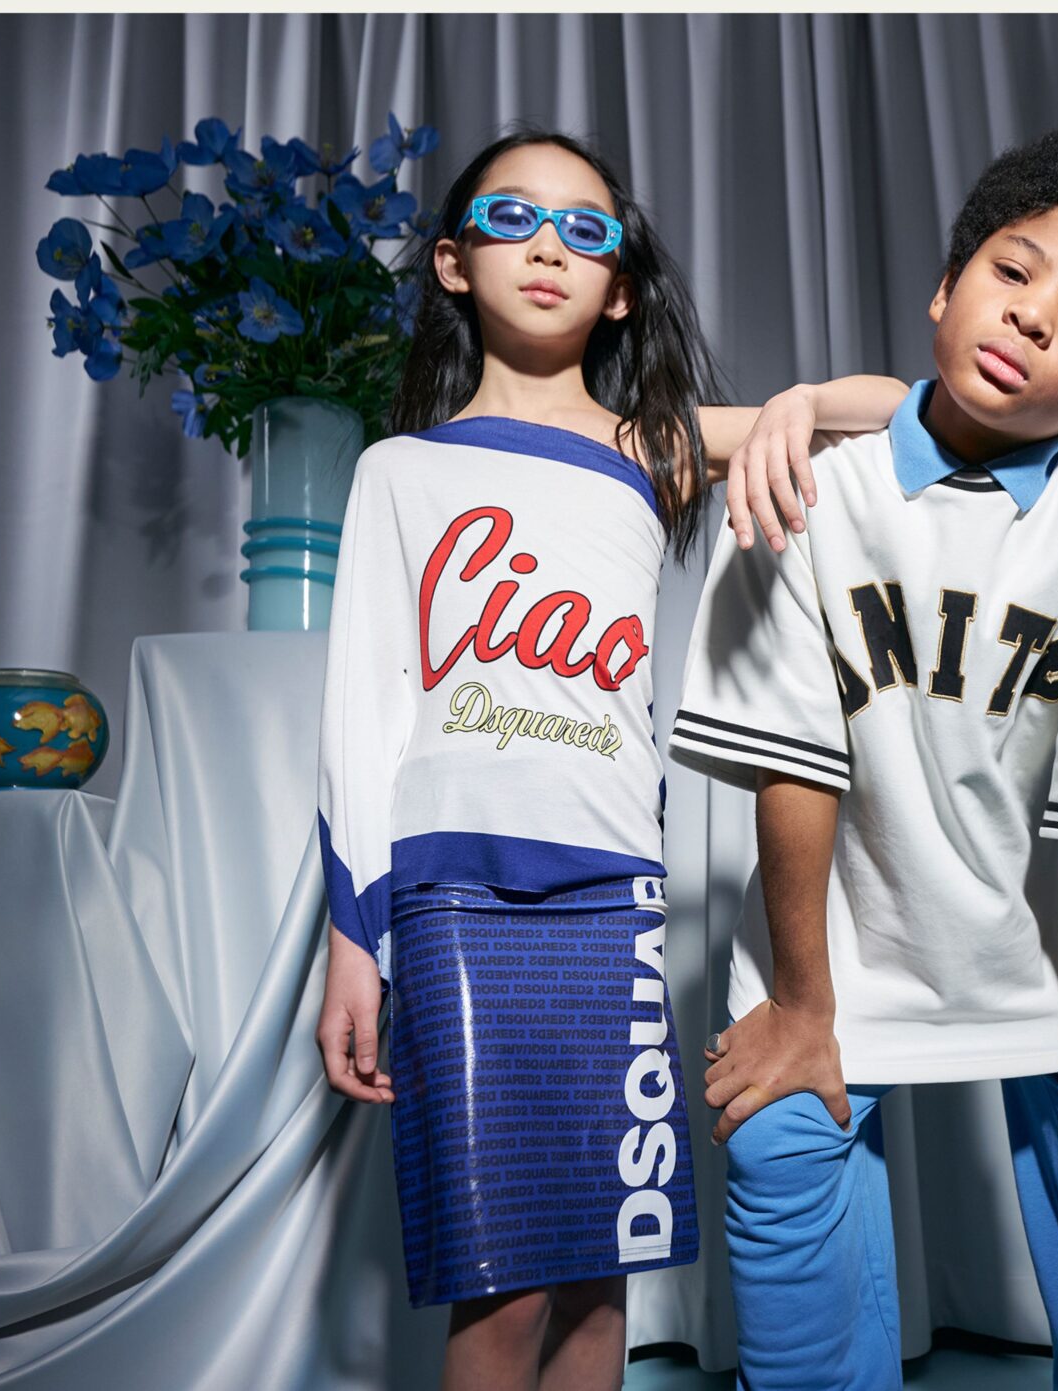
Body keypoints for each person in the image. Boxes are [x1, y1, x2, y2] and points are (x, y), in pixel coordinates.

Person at [312, 126, 908, 1391]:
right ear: (453, 262)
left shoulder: (652, 449)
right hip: (457, 895)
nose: (547, 247)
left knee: (600, 1275)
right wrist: (352, 939)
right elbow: (362, 713)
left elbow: (901, 413)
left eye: (583, 230)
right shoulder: (399, 470)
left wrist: (797, 404)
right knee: (504, 1282)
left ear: (620, 286)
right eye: (512, 218)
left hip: (612, 895)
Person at [667, 121, 1058, 1390]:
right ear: (945, 285)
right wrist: (803, 1009)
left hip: (1051, 966)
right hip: (829, 958)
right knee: (779, 1180)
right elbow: (794, 765)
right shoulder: (812, 477)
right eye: (1012, 271)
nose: (1030, 316)